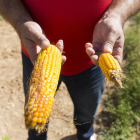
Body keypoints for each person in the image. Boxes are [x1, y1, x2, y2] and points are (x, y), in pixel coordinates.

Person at [0, 0, 140, 140]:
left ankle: (86, 135)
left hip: (91, 61)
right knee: (35, 118)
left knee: (87, 113)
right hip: (36, 55)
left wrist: (116, 15)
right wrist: (20, 21)